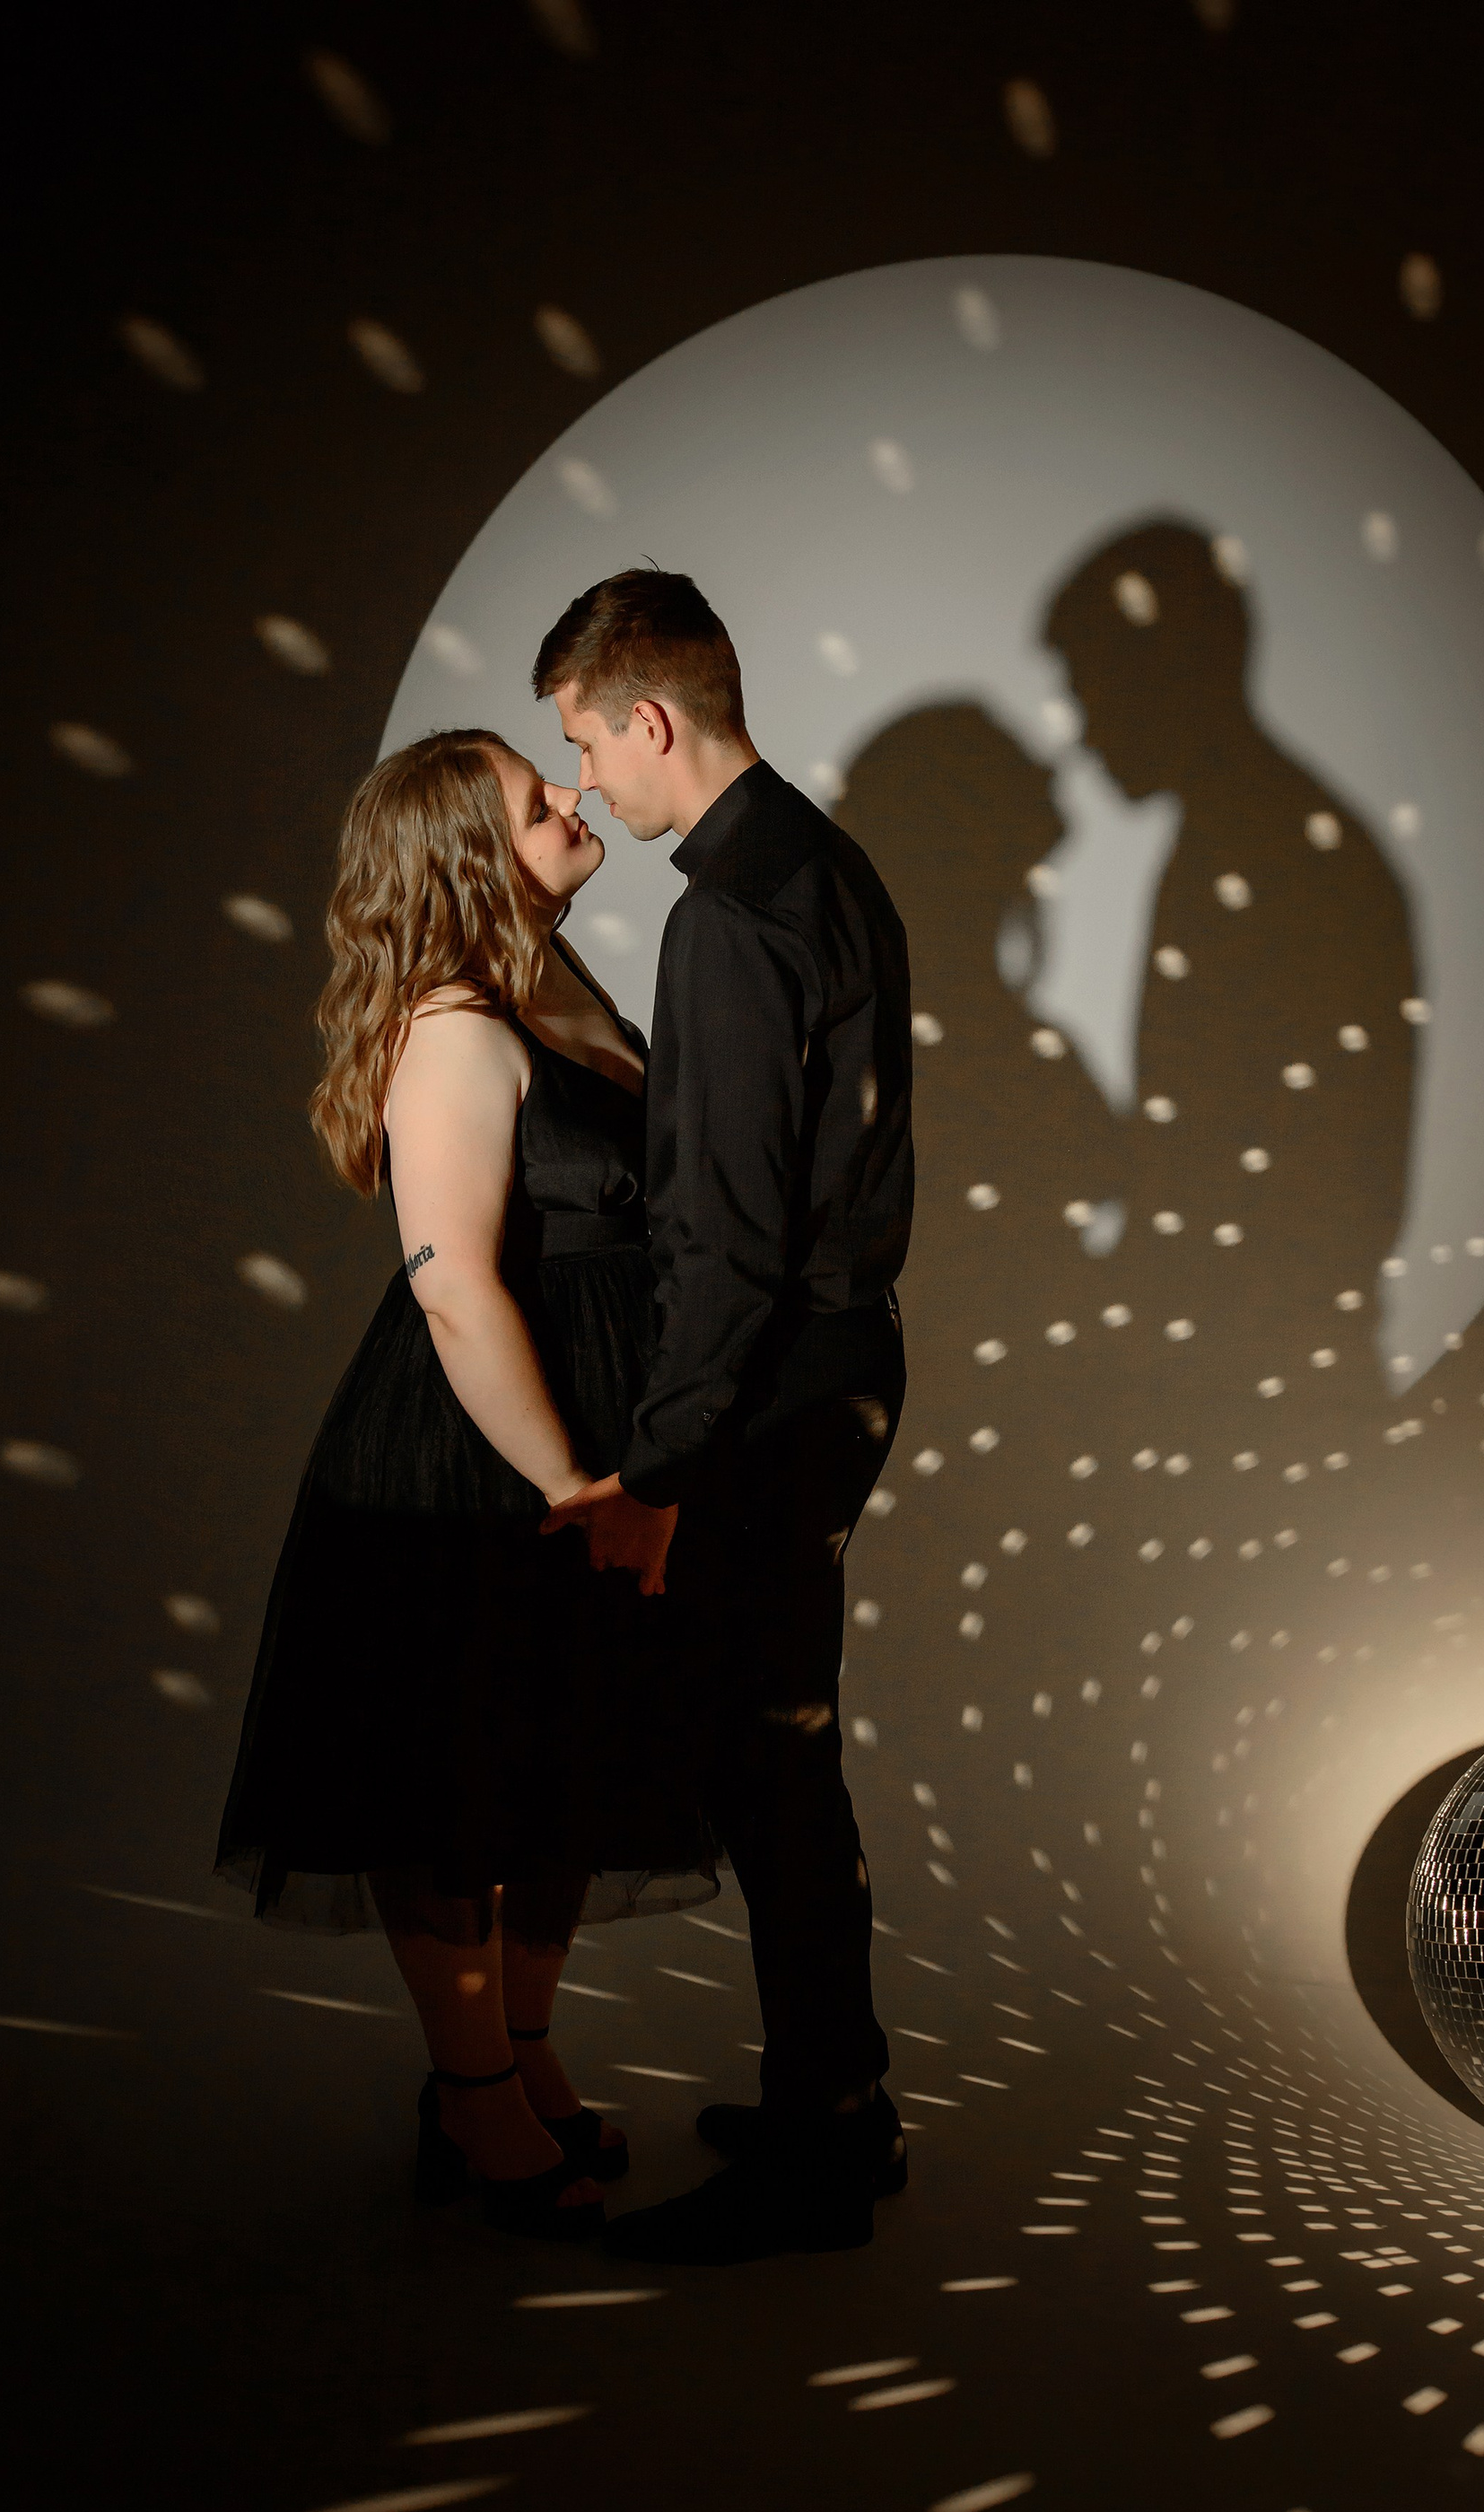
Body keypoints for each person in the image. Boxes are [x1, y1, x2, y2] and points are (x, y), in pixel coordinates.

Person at [215, 726, 718, 2240]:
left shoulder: (555, 982)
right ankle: (473, 2094)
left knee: (561, 1756)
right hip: (484, 1455)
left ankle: (523, 2055)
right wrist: (574, 1481)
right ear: (462, 859)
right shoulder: (452, 1024)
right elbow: (451, 1284)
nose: (569, 794)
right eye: (528, 796)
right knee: (454, 1775)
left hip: (596, 1435)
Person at [537, 570, 914, 2264]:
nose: (586, 782)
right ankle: (841, 2105)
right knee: (784, 1764)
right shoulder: (822, 864)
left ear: (652, 718)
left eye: (585, 744)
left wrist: (658, 1462)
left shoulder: (732, 915)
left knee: (771, 1773)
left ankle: (826, 2151)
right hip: (838, 1363)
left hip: (774, 1392)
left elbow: (729, 1233)